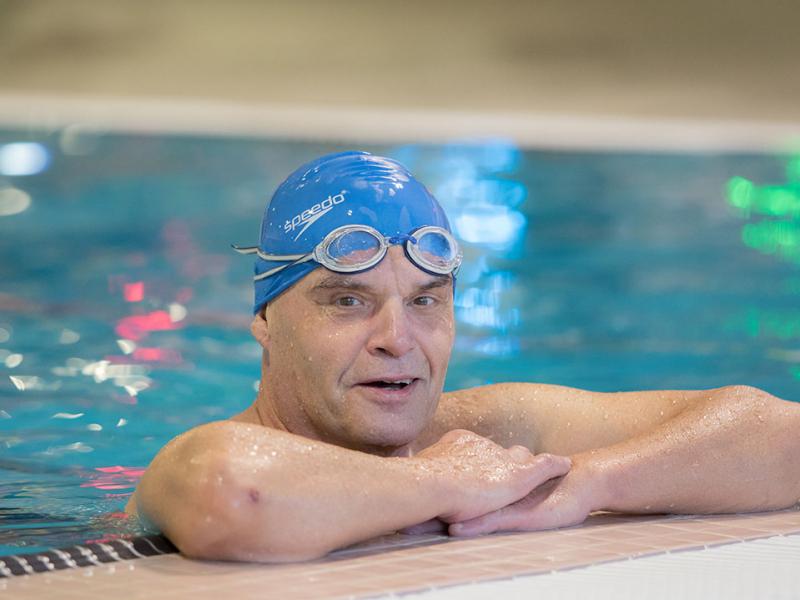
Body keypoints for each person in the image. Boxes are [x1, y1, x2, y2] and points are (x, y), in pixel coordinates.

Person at [125, 151, 800, 563]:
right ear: (266, 323)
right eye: (347, 302)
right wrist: (447, 485)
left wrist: (591, 484)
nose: (398, 338)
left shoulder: (492, 429)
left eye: (425, 302)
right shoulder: (215, 452)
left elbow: (780, 435)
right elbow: (231, 494)